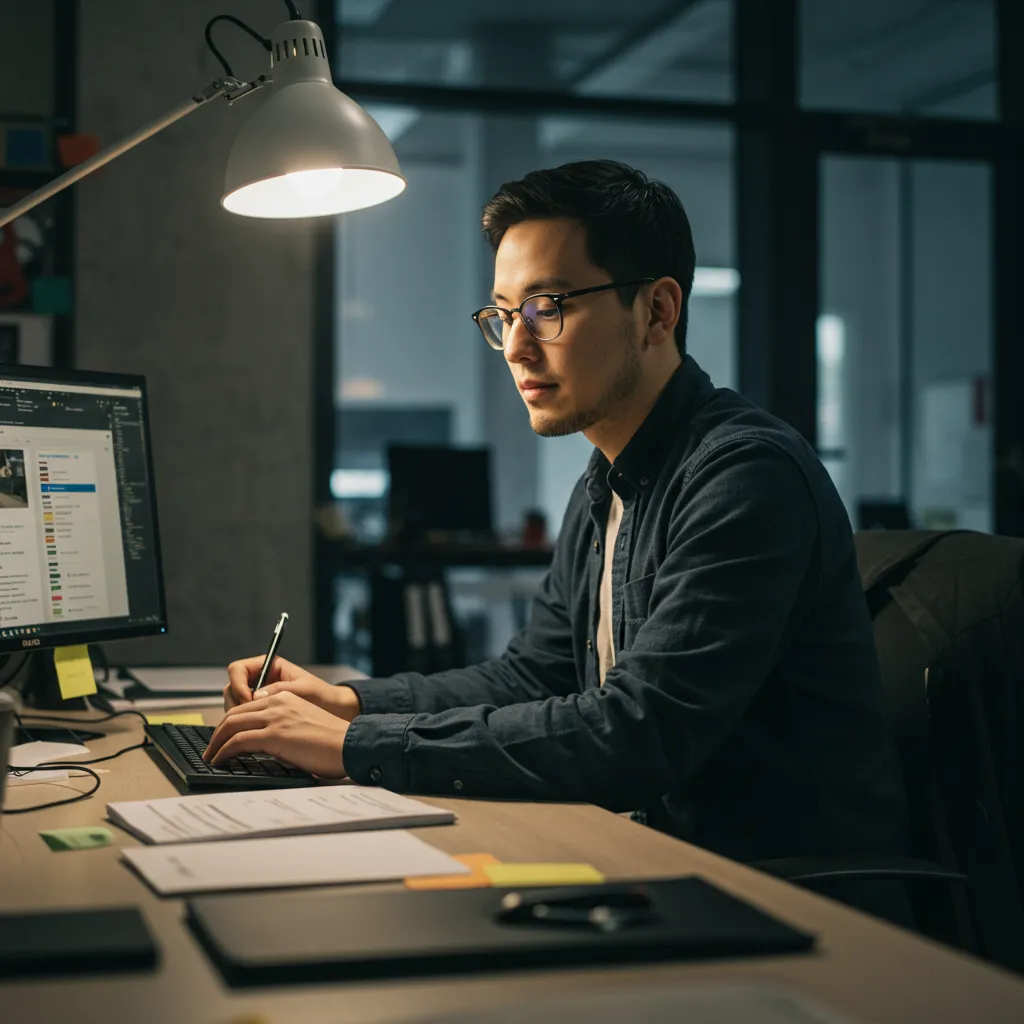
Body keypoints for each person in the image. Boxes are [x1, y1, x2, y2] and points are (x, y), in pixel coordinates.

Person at [206, 160, 909, 872]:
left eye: (549, 307)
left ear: (658, 311)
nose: (515, 346)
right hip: (643, 857)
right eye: (505, 315)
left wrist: (357, 747)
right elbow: (531, 678)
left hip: (778, 893)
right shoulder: (607, 478)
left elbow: (641, 732)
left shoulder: (745, 477)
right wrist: (348, 703)